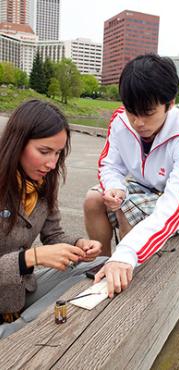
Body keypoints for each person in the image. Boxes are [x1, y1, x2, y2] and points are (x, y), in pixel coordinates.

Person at [84, 54, 179, 298]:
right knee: (93, 200)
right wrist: (115, 187)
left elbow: (173, 209)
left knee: (127, 206)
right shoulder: (120, 120)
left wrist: (127, 252)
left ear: (170, 103)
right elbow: (109, 165)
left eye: (147, 112)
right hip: (146, 188)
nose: (138, 122)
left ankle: (125, 264)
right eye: (131, 111)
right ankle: (104, 263)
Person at [0, 99, 106, 339]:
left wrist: (79, 244)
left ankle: (20, 327)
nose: (52, 163)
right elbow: (31, 256)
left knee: (100, 264)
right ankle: (20, 331)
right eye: (44, 151)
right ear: (17, 142)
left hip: (19, 292)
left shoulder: (44, 181)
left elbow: (54, 235)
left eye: (58, 153)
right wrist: (30, 257)